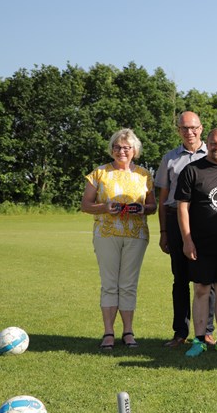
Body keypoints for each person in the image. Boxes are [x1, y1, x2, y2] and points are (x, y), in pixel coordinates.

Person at [81, 128, 157, 351]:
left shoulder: (144, 174)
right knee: (109, 284)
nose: (121, 151)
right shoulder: (99, 173)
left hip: (136, 235)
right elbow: (85, 205)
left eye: (126, 147)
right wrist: (104, 207)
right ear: (111, 149)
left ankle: (128, 331)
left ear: (135, 150)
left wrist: (142, 208)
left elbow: (153, 206)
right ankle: (108, 332)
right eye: (117, 147)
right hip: (106, 234)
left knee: (128, 285)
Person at [175, 128, 217, 357]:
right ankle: (199, 339)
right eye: (214, 143)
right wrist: (187, 240)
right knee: (201, 289)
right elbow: (182, 207)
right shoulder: (192, 170)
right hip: (201, 243)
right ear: (208, 144)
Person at [155, 111, 215, 348]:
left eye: (193, 128)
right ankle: (180, 332)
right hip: (174, 221)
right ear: (178, 130)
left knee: (206, 279)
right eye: (184, 128)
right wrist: (163, 232)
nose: (189, 132)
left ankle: (207, 332)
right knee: (180, 279)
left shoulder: (213, 154)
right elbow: (162, 199)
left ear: (201, 128)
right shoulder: (170, 158)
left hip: (205, 222)